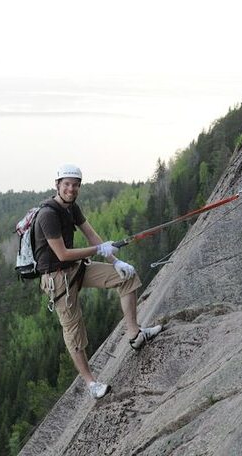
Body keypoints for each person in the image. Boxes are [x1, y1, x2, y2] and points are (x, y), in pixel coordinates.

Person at [34, 164, 162, 399]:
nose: (71, 189)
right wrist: (96, 249)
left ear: (79, 187)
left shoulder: (72, 208)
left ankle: (135, 334)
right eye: (66, 185)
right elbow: (62, 254)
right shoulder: (48, 215)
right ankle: (91, 383)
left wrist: (115, 262)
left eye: (75, 185)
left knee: (126, 277)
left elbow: (92, 234)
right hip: (57, 279)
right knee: (75, 331)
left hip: (76, 269)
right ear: (57, 185)